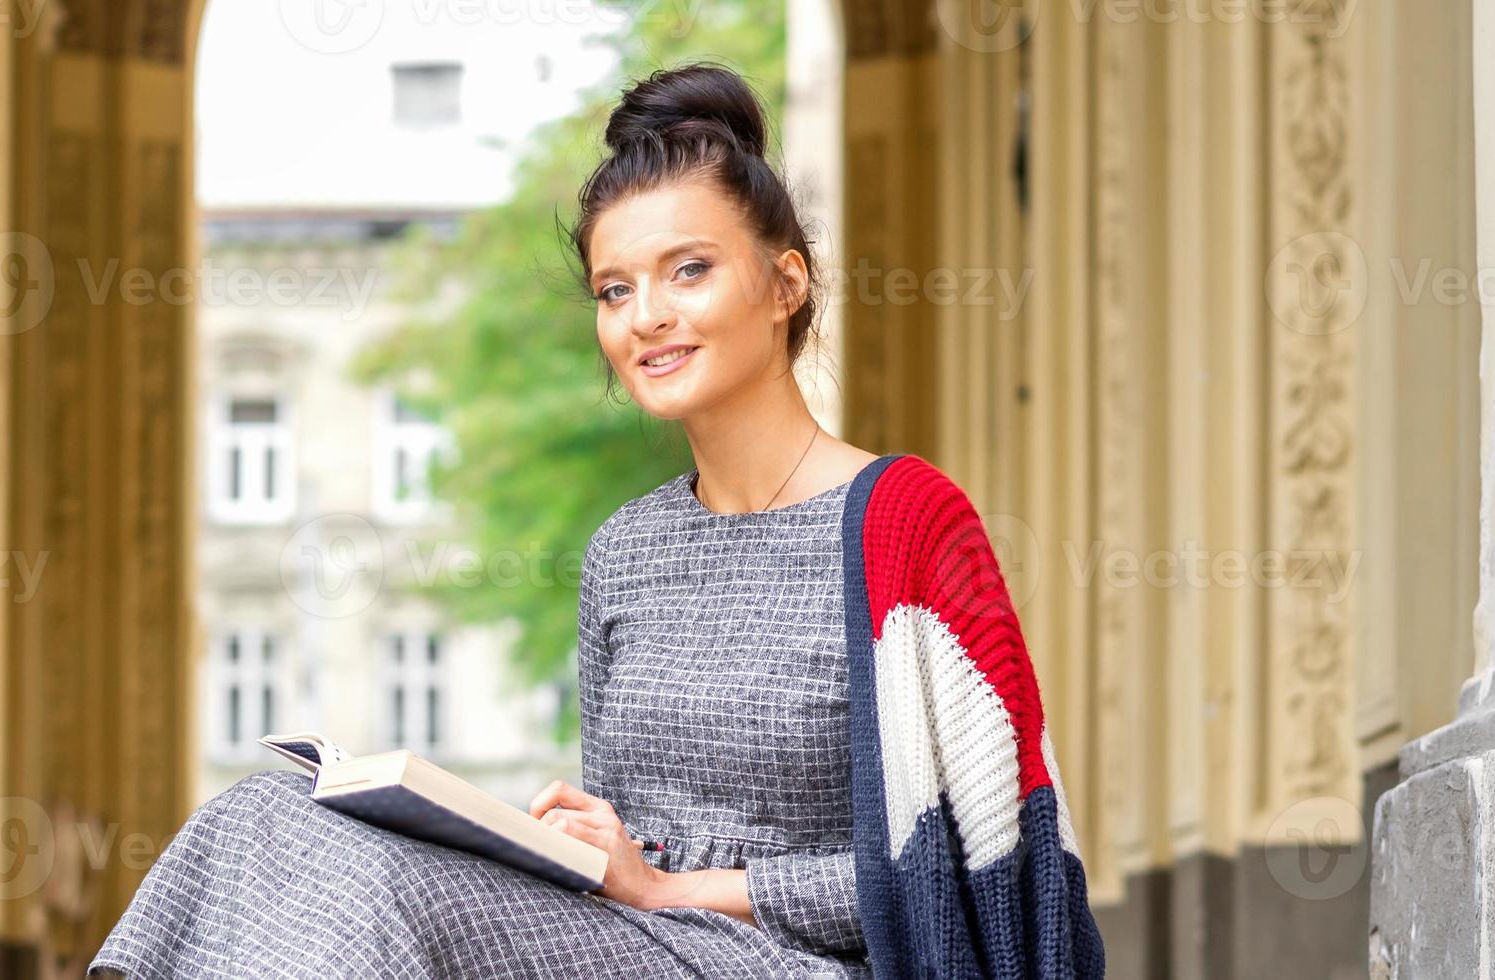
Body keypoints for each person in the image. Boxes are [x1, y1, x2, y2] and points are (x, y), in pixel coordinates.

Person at [91, 62, 1091, 979]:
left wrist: (677, 890)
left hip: (800, 963)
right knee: (269, 811)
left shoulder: (905, 522)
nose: (645, 314)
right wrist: (567, 841)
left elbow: (979, 859)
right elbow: (626, 842)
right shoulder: (625, 552)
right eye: (616, 289)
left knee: (385, 891)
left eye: (688, 269)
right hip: (633, 941)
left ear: (785, 282)